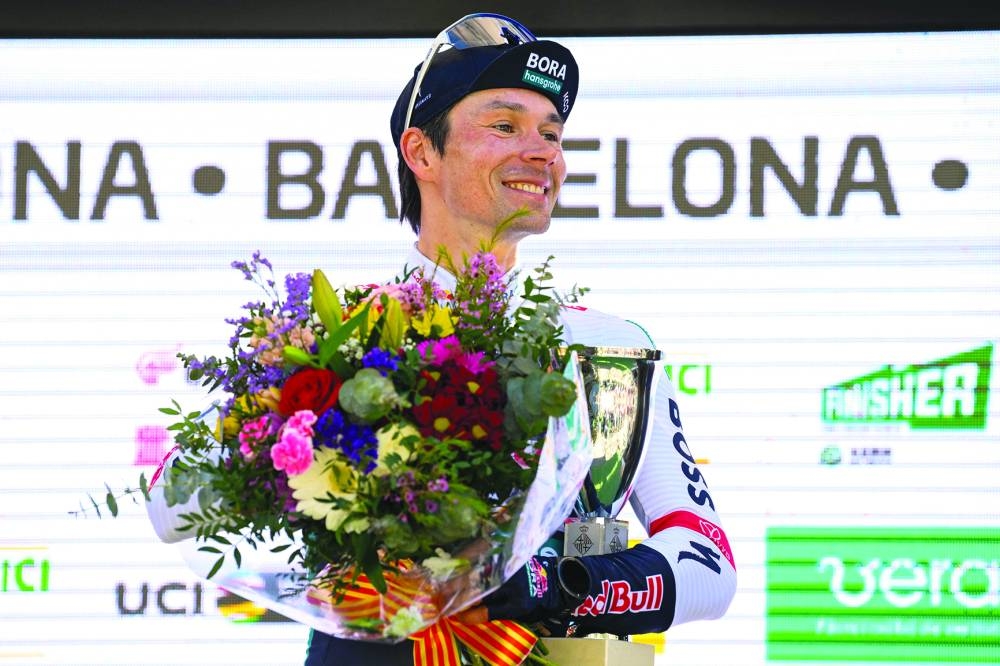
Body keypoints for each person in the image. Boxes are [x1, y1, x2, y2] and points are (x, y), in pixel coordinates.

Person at [304, 12, 737, 665]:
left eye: (551, 133)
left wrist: (555, 587)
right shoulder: (331, 338)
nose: (542, 153)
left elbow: (710, 565)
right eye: (505, 126)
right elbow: (177, 508)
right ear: (421, 152)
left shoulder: (608, 346)